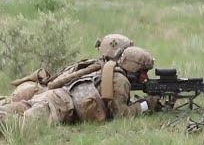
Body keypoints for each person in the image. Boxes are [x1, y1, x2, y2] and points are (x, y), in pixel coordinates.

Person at [0, 45, 160, 125]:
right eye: (142, 72)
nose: (145, 77)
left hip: (54, 97)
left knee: (20, 107)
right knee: (17, 124)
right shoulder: (120, 80)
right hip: (59, 106)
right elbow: (121, 115)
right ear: (132, 68)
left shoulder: (108, 69)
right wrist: (147, 104)